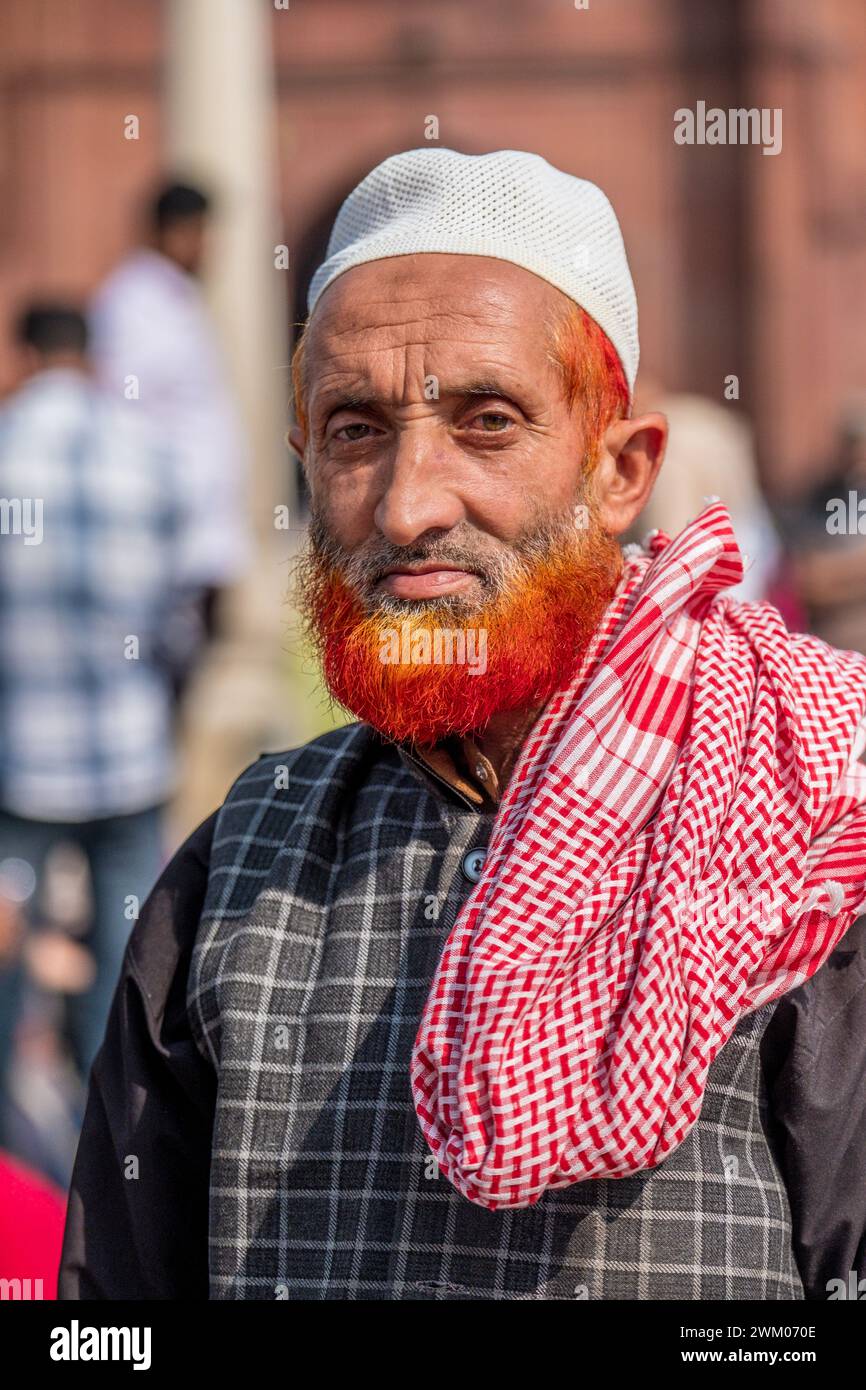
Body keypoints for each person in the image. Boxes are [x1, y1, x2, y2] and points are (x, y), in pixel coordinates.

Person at [60, 150, 866, 1301]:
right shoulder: (235, 862)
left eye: (486, 422)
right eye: (354, 430)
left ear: (620, 471)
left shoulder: (796, 815)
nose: (406, 503)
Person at [0, 303, 192, 1108]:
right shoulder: (142, 453)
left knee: (10, 955)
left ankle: (17, 1160)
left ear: (25, 354)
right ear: (89, 353)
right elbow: (181, 608)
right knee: (123, 961)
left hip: (19, 760)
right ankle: (109, 1140)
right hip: (127, 751)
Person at [89, 180, 251, 672]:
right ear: (176, 232)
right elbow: (126, 410)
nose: (207, 248)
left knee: (198, 658)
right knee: (166, 666)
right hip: (171, 524)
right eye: (201, 234)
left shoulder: (174, 298)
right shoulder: (135, 302)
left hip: (200, 522)